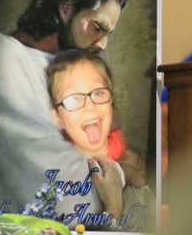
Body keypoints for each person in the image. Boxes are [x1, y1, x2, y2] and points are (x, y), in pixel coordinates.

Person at [0, 0, 130, 226]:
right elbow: (59, 186)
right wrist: (119, 177)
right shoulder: (4, 59)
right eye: (98, 28)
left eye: (108, 33)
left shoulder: (72, 69)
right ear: (66, 8)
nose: (102, 44)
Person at [47, 49, 155, 232]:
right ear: (57, 117)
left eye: (98, 93)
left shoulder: (131, 169)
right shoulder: (57, 178)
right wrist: (113, 208)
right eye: (73, 99)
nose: (90, 107)